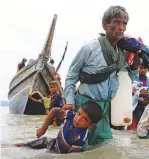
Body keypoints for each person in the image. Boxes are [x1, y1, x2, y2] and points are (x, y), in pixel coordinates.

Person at [63, 6, 140, 149]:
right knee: (80, 146)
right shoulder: (90, 48)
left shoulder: (120, 53)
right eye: (116, 22)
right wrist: (69, 101)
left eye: (124, 24)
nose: (121, 27)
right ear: (105, 24)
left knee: (104, 145)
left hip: (105, 106)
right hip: (86, 105)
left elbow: (128, 76)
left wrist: (136, 60)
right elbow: (72, 75)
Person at [14, 101, 103, 153]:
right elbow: (54, 110)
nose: (78, 118)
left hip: (57, 153)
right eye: (79, 113)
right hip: (52, 142)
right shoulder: (72, 115)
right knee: (26, 145)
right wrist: (43, 129)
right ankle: (15, 146)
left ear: (90, 125)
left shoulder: (80, 138)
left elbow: (72, 154)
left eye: (84, 119)